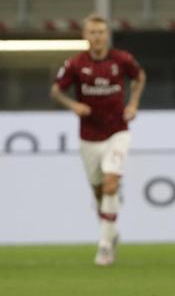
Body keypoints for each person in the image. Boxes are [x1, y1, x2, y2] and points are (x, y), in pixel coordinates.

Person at [50, 14, 146, 266]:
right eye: (92, 32)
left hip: (118, 131)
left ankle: (104, 247)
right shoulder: (75, 64)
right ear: (85, 35)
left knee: (111, 184)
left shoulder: (122, 60)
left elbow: (139, 77)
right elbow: (56, 89)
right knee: (99, 192)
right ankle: (111, 234)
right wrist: (74, 106)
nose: (97, 37)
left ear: (107, 35)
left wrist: (133, 103)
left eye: (101, 32)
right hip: (89, 137)